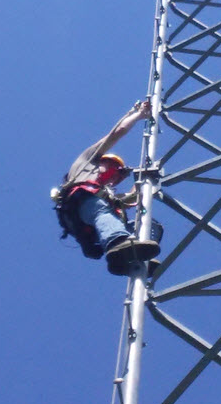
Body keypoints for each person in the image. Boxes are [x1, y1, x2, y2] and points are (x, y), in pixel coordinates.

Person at [52, 100, 161, 276]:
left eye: (119, 176)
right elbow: (117, 132)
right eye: (114, 170)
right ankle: (118, 244)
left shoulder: (107, 194)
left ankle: (132, 257)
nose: (116, 177)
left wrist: (144, 181)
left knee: (150, 226)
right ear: (104, 161)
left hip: (91, 219)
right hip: (81, 201)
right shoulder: (87, 162)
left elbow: (133, 197)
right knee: (100, 210)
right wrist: (138, 114)